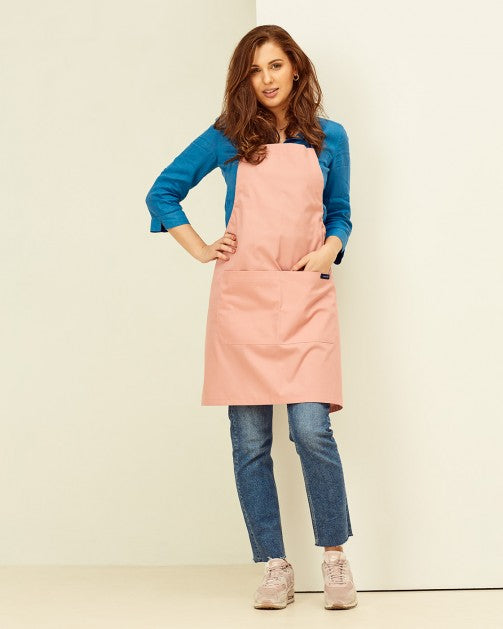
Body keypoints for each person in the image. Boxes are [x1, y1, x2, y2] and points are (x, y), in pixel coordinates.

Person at [145, 24, 357, 611]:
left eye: (276, 66)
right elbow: (163, 192)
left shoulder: (330, 138)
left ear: (296, 68)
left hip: (306, 296)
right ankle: (274, 565)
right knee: (250, 443)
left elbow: (340, 211)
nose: (266, 79)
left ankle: (334, 556)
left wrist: (330, 249)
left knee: (311, 430)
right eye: (255, 70)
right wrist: (200, 247)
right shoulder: (228, 136)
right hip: (243, 301)